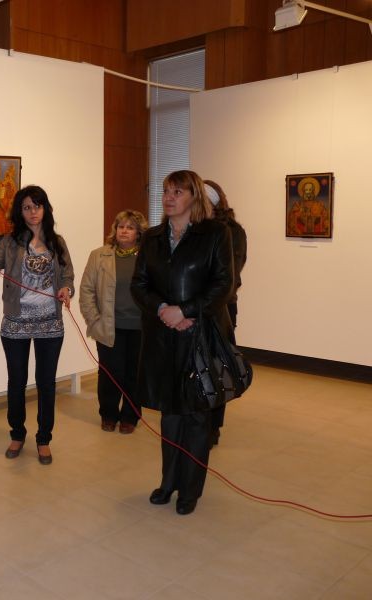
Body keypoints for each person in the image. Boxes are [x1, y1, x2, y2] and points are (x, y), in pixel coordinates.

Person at [131, 170, 233, 515]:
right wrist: (163, 309)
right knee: (170, 414)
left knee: (196, 416)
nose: (169, 198)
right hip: (162, 337)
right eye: (165, 191)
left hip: (200, 336)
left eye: (177, 192)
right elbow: (139, 285)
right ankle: (168, 482)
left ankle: (190, 490)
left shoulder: (215, 234)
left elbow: (223, 285)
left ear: (194, 197)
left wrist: (186, 311)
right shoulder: (152, 237)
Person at [0, 185, 74, 465]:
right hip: (15, 324)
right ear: (19, 212)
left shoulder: (57, 241)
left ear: (45, 208)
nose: (33, 212)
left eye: (37, 206)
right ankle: (17, 433)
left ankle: (44, 438)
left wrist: (66, 289)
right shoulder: (10, 243)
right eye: (26, 207)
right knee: (17, 382)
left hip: (50, 324)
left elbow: (67, 274)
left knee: (46, 383)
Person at [79, 209, 148, 434]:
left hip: (140, 328)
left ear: (139, 232)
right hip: (109, 326)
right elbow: (86, 290)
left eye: (130, 227)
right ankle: (108, 414)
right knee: (110, 374)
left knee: (134, 375)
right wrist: (94, 320)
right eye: (121, 226)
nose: (124, 231)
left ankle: (130, 416)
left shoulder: (148, 256)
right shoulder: (99, 255)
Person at [203, 180, 247, 448]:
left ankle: (213, 427)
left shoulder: (232, 231)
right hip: (193, 310)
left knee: (217, 369)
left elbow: (229, 276)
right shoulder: (191, 228)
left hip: (221, 310)